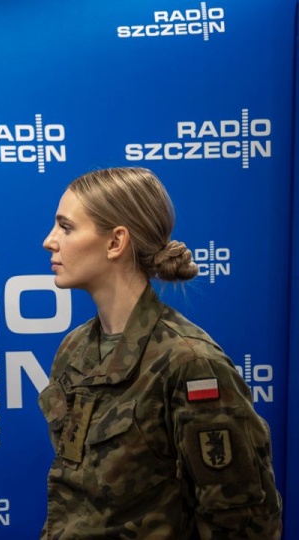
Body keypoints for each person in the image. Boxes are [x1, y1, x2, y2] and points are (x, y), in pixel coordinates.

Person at [38, 167, 282, 538]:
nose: (49, 241)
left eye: (66, 227)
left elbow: (243, 524)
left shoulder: (190, 363)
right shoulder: (74, 350)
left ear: (116, 242)